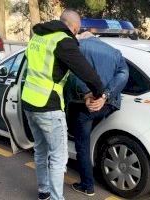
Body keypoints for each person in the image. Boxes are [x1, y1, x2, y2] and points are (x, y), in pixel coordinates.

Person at [21, 10, 105, 200]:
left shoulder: (39, 36)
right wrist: (99, 93)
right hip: (48, 105)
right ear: (74, 27)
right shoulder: (63, 41)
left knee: (41, 151)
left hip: (29, 101)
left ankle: (44, 192)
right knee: (58, 157)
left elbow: (32, 66)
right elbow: (86, 72)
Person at [66, 31, 129, 196]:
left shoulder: (78, 47)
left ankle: (87, 185)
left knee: (82, 144)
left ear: (82, 36)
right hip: (108, 104)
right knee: (92, 129)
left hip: (85, 104)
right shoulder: (114, 52)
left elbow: (72, 73)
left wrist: (87, 93)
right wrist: (105, 96)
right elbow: (123, 74)